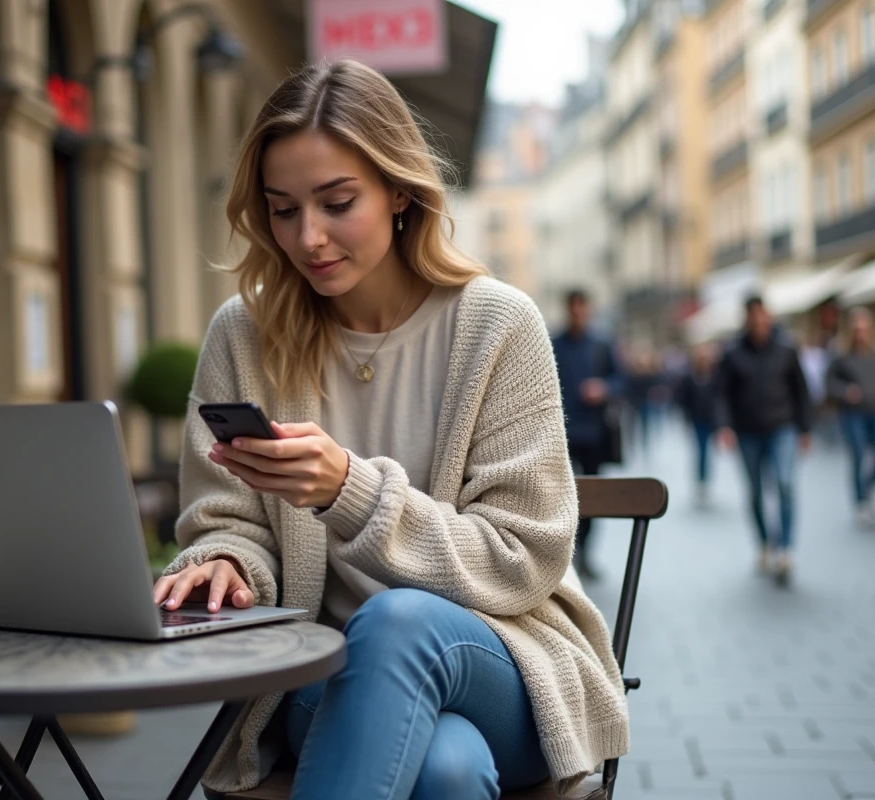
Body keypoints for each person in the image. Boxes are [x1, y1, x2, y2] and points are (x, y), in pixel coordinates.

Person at [149, 61, 628, 800]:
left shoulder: (498, 325)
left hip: (503, 663)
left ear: (400, 191)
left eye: (337, 203)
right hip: (329, 679)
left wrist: (349, 491)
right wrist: (225, 562)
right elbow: (228, 518)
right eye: (282, 209)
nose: (308, 237)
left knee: (397, 623)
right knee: (446, 770)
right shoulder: (243, 334)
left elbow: (523, 557)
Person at [716, 296, 812, 586]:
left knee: (785, 483)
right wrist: (724, 426)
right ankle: (764, 542)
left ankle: (785, 548)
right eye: (754, 319)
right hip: (747, 432)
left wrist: (805, 429)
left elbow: (801, 391)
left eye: (763, 318)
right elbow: (721, 394)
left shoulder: (786, 349)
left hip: (782, 428)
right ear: (747, 320)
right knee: (756, 491)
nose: (759, 323)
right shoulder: (733, 353)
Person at [552, 289, 622, 581]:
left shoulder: (602, 344)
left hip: (594, 434)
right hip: (562, 434)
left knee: (593, 496)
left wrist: (603, 389)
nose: (579, 314)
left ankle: (586, 554)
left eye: (583, 308)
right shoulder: (554, 344)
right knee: (563, 497)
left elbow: (621, 380)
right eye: (574, 308)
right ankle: (568, 557)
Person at [826, 307, 875, 523]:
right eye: (856, 328)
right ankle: (860, 501)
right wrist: (845, 391)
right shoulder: (840, 351)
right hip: (853, 413)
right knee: (858, 456)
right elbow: (829, 383)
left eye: (864, 327)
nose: (860, 332)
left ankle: (869, 487)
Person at [676, 342, 720, 508]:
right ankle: (701, 481)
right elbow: (683, 398)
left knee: (708, 452)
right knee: (701, 451)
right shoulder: (689, 376)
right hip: (697, 419)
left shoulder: (715, 375)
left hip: (711, 419)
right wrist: (686, 418)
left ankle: (705, 479)